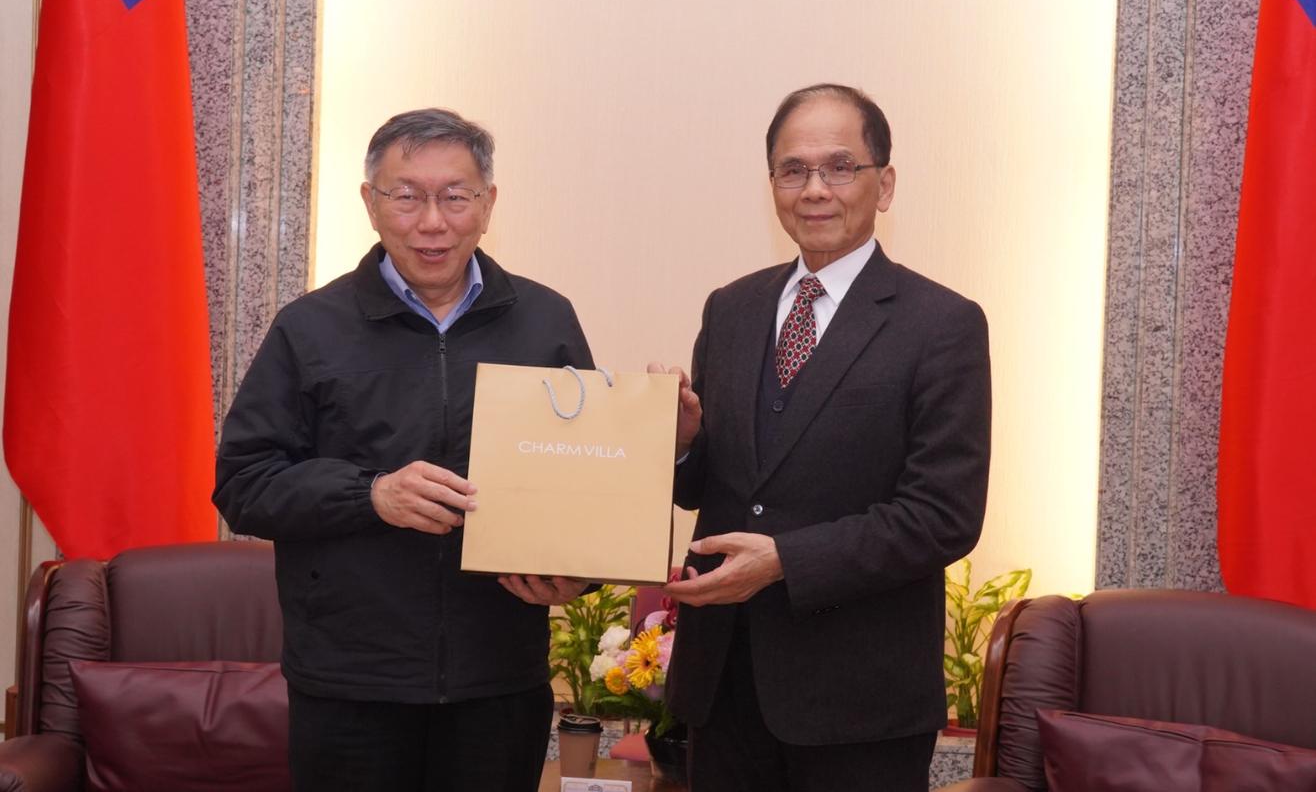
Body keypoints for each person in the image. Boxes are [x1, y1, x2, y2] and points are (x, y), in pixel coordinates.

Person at [213, 108, 594, 792]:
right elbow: (243, 482)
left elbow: (583, 479)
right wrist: (370, 494)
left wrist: (577, 575)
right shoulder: (309, 328)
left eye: (456, 196)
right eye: (407, 195)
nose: (432, 222)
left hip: (498, 682)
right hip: (350, 685)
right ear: (371, 203)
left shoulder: (546, 322)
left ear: (488, 204)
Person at [653, 83, 991, 791]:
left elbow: (943, 516)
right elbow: (706, 485)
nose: (814, 189)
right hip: (724, 686)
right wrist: (683, 441)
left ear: (884, 184)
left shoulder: (942, 324)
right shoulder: (733, 307)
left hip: (859, 701)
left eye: (840, 167)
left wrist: (785, 561)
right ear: (772, 184)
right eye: (793, 170)